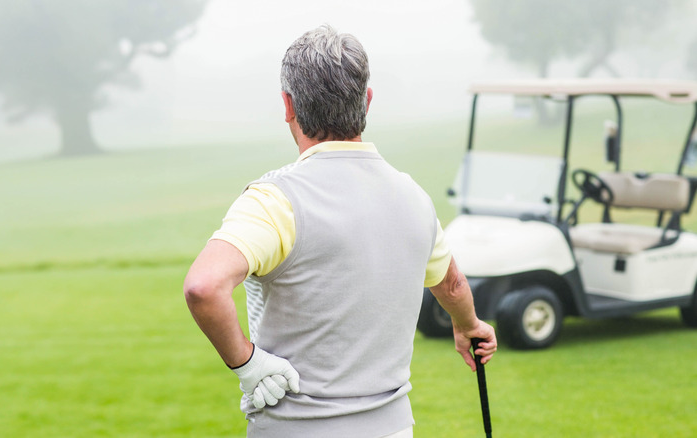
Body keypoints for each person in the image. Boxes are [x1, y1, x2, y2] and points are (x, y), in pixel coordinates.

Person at [183, 25, 497, 438]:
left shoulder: (274, 200)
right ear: (366, 101)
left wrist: (247, 363)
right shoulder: (414, 197)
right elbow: (452, 285)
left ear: (288, 105)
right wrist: (468, 325)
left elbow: (203, 288)